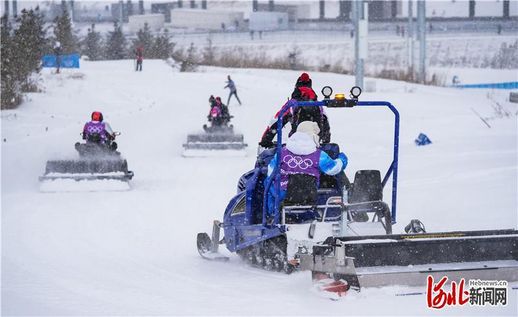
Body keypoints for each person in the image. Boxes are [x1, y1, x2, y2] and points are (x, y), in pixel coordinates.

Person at [265, 121, 348, 218]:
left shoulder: (282, 152)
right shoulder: (319, 155)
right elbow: (334, 169)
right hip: (309, 194)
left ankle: (272, 214)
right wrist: (342, 159)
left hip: (284, 194)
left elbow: (270, 171)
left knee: (268, 183)